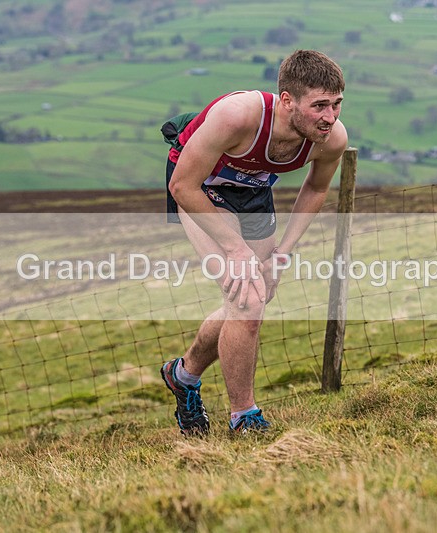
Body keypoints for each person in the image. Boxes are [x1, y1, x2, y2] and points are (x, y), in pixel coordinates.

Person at [160, 49, 347, 435]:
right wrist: (234, 248)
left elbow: (315, 187)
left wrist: (283, 253)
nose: (329, 117)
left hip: (253, 192)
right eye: (320, 106)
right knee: (247, 296)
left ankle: (184, 375)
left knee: (253, 295)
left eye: (337, 104)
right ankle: (244, 416)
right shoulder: (239, 116)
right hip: (200, 189)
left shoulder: (331, 139)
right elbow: (182, 185)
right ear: (287, 100)